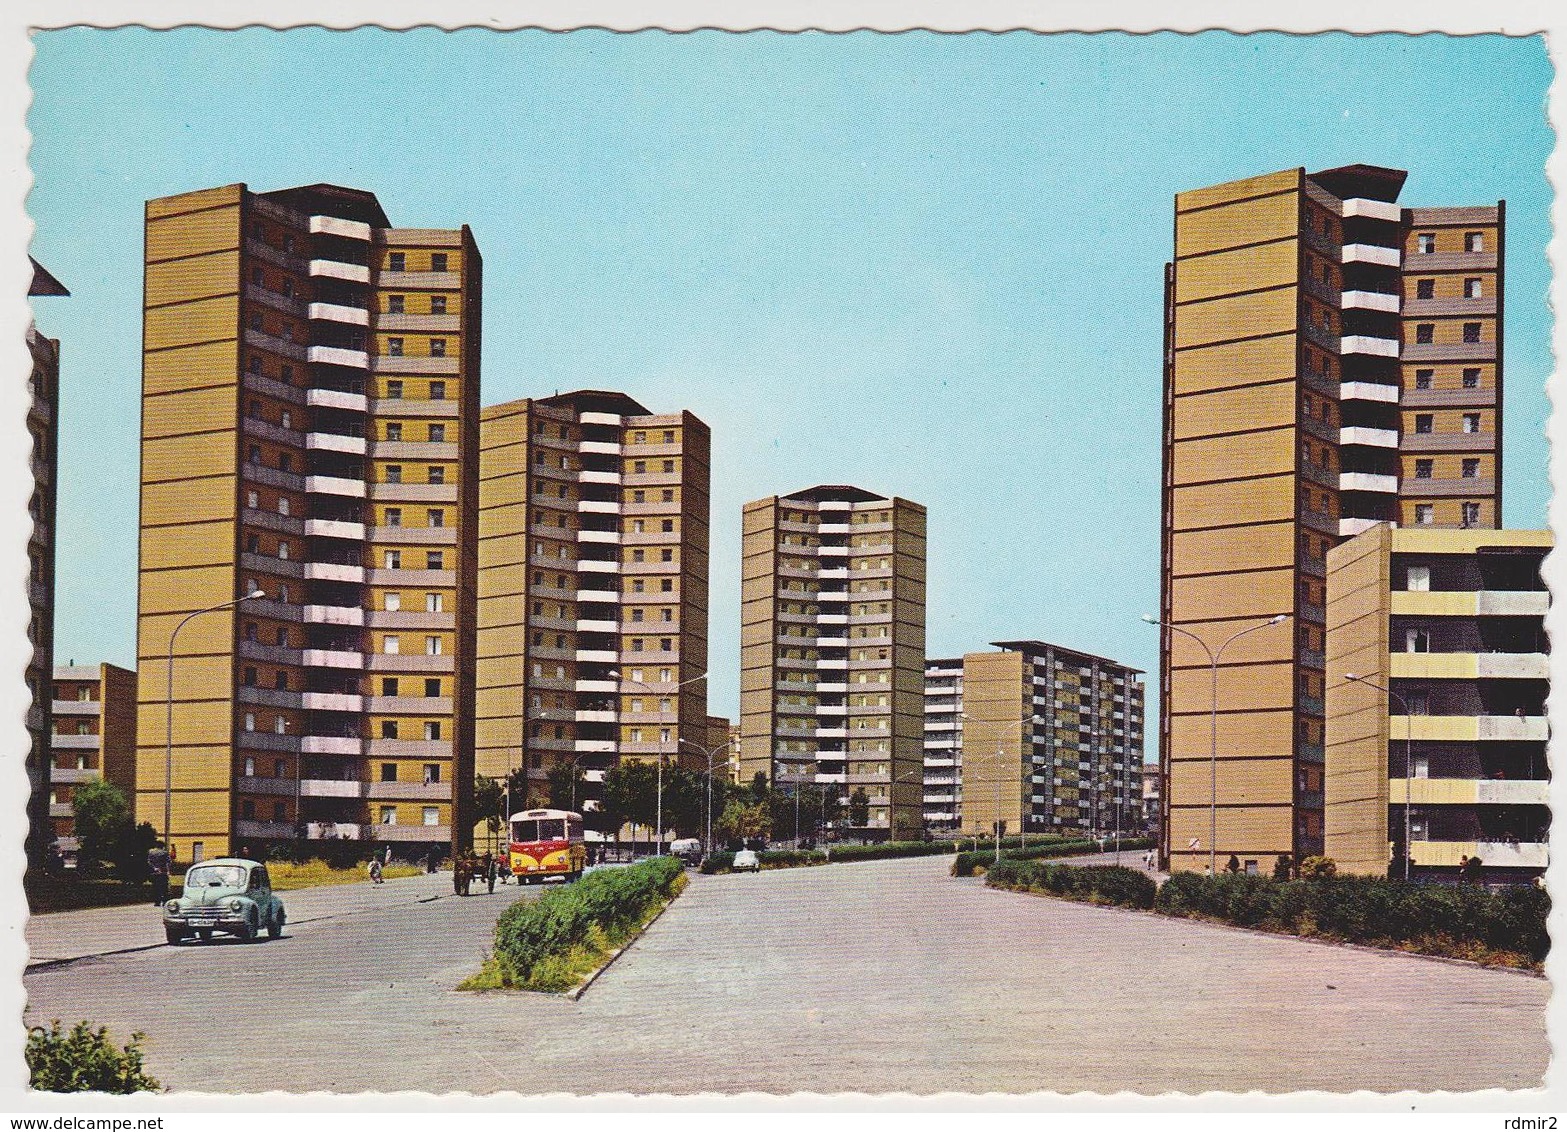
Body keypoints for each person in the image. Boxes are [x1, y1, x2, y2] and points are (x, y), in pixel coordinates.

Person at [147, 842, 170, 906]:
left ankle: (157, 902)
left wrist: (155, 868)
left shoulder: (151, 852)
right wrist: (168, 871)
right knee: (164, 887)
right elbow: (168, 862)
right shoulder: (165, 853)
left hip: (154, 873)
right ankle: (165, 901)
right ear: (162, 846)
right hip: (163, 872)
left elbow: (149, 862)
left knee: (155, 887)